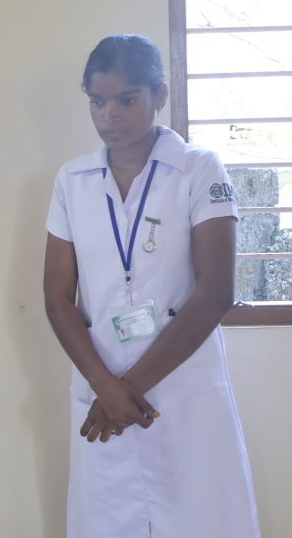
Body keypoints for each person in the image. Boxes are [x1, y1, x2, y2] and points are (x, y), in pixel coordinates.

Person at [43, 34, 259, 538]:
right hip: (101, 388)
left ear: (159, 94)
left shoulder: (198, 169)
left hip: (181, 389)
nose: (110, 116)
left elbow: (215, 293)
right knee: (109, 522)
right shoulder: (73, 180)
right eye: (97, 102)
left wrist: (127, 390)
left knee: (201, 519)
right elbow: (56, 298)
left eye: (126, 99)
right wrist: (105, 387)